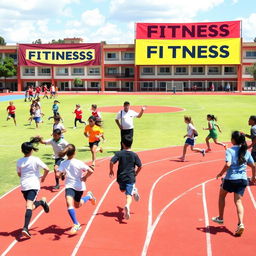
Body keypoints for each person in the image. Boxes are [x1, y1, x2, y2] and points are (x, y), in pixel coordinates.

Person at [212, 131, 256, 236]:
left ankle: (220, 218)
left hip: (230, 179)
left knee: (221, 195)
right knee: (238, 201)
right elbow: (253, 166)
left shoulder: (230, 151)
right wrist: (253, 177)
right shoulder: (246, 151)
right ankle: (240, 223)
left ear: (233, 140)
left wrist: (220, 173)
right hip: (242, 180)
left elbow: (228, 164)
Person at [57, 144, 95, 234]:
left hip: (79, 187)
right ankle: (76, 224)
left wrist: (60, 174)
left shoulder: (65, 163)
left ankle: (89, 196)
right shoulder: (75, 162)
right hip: (70, 186)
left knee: (77, 205)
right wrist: (85, 177)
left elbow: (57, 175)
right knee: (69, 203)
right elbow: (91, 171)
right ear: (75, 152)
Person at [17, 137, 50, 238]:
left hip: (29, 186)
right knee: (30, 206)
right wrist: (43, 177)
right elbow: (47, 169)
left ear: (22, 151)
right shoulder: (36, 160)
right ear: (31, 150)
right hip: (28, 186)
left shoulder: (19, 161)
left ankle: (25, 228)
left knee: (28, 206)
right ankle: (42, 202)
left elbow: (19, 174)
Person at [109, 134, 142, 220]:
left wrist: (111, 170)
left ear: (122, 144)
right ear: (131, 144)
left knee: (123, 190)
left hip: (120, 178)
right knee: (128, 195)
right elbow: (140, 166)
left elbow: (111, 162)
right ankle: (127, 205)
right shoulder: (134, 155)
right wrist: (136, 173)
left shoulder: (119, 153)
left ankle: (132, 194)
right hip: (130, 177)